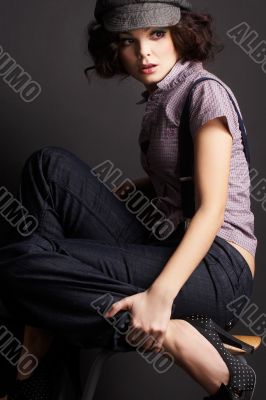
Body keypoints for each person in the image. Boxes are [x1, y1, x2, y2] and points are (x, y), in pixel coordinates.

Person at [0, 0, 257, 399]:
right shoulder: (163, 96)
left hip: (216, 268)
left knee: (18, 260)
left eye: (156, 34)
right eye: (127, 41)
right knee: (48, 165)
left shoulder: (206, 93)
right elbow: (186, 169)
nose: (144, 53)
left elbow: (211, 210)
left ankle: (175, 334)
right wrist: (146, 185)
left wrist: (159, 298)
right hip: (170, 248)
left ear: (180, 32)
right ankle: (43, 339)